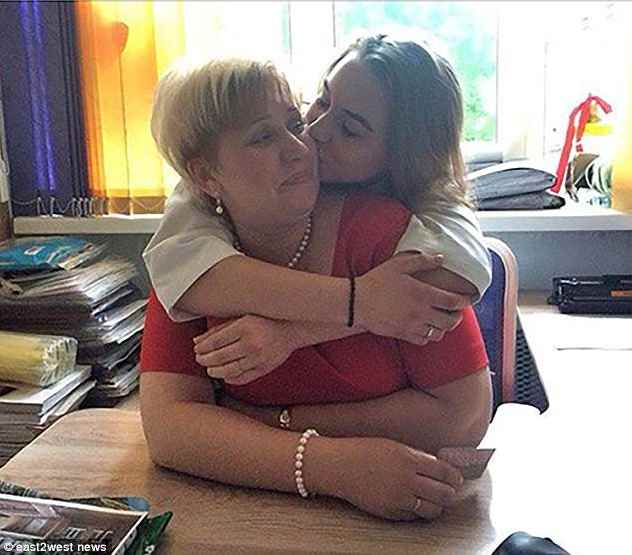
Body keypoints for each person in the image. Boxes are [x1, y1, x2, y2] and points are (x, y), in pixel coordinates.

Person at [140, 53, 492, 522]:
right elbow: (170, 430)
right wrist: (332, 467)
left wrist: (268, 420)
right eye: (263, 136)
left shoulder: (393, 236)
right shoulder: (190, 253)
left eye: (293, 124)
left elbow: (463, 418)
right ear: (205, 176)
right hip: (245, 521)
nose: (305, 143)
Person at [142, 34, 492, 385]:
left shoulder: (414, 213)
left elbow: (447, 281)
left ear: (400, 158)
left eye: (350, 130)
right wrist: (359, 303)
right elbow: (182, 273)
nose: (314, 132)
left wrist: (292, 334)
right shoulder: (214, 189)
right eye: (322, 101)